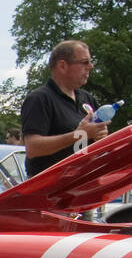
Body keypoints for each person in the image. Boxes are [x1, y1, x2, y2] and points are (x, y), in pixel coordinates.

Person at [20, 40, 106, 178]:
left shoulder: (88, 99)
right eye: (84, 62)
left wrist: (99, 135)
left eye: (90, 61)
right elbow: (33, 148)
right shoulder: (39, 99)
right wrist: (78, 134)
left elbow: (94, 140)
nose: (90, 66)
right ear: (62, 66)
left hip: (84, 183)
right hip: (50, 190)